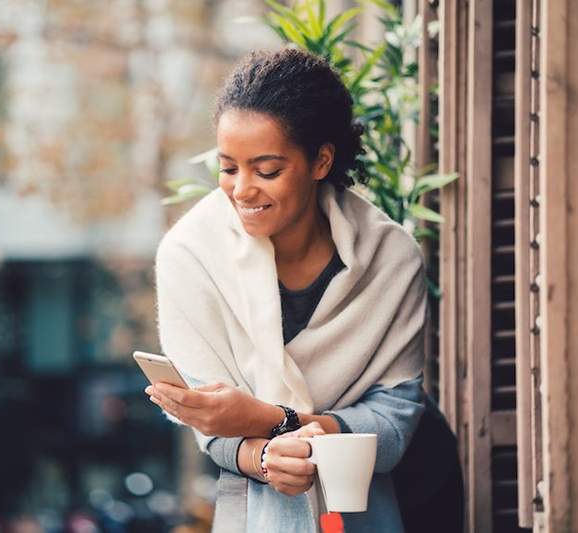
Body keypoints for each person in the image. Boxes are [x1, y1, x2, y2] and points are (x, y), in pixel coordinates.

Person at [147, 47, 463, 532]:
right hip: (256, 505)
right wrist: (269, 457)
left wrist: (271, 419)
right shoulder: (190, 258)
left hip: (401, 498)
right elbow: (215, 436)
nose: (242, 190)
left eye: (267, 170)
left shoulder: (389, 256)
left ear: (320, 161)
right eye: (228, 168)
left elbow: (395, 419)